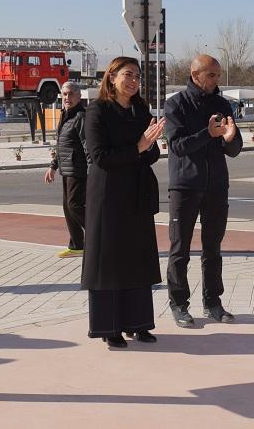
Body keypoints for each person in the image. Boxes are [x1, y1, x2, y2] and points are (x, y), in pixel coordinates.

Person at [82, 56, 165, 348]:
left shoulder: (141, 109)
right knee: (110, 262)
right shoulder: (97, 111)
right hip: (108, 196)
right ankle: (110, 328)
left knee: (138, 258)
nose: (134, 81)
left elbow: (150, 155)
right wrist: (139, 146)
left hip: (137, 193)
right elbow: (99, 157)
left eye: (138, 76)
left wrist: (151, 145)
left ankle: (139, 324)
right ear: (112, 77)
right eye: (128, 75)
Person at [164, 54, 243, 328]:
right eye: (211, 75)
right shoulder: (176, 104)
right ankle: (179, 304)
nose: (216, 80)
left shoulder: (222, 105)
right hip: (185, 187)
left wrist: (231, 140)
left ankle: (213, 303)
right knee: (180, 249)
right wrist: (207, 134)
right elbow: (176, 146)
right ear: (195, 74)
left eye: (218, 75)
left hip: (216, 187)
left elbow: (233, 148)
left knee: (213, 249)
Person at [44, 82, 89, 258]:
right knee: (67, 207)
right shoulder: (65, 116)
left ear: (78, 97)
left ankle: (100, 236)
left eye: (70, 94)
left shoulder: (81, 117)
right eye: (64, 95)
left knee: (74, 205)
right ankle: (77, 245)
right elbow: (62, 145)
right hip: (66, 168)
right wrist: (53, 166)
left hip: (78, 169)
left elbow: (87, 145)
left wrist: (91, 168)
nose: (67, 98)